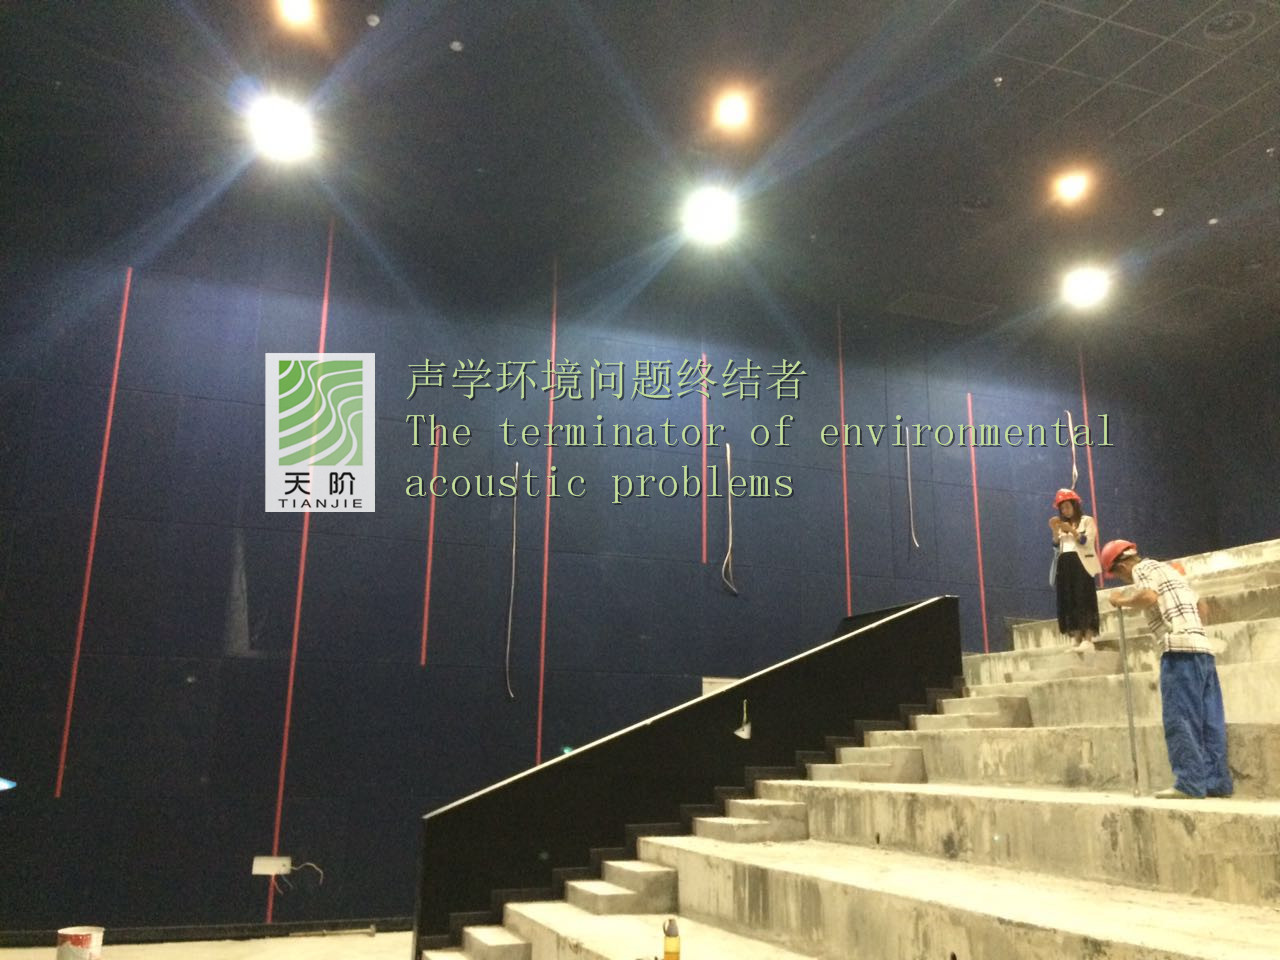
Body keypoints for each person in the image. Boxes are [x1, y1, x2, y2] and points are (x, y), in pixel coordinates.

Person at [1100, 539, 1232, 800]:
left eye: (1119, 575)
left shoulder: (1142, 570)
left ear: (1122, 565)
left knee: (1180, 718)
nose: (1123, 579)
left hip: (1178, 651)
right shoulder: (1170, 571)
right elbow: (1202, 607)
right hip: (1202, 650)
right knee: (1210, 721)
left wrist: (1121, 601)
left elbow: (1149, 596)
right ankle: (1216, 782)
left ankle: (1190, 782)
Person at [1048, 489, 1100, 651]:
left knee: (1083, 598)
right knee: (1068, 600)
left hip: (1081, 563)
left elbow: (1087, 542)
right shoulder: (1061, 526)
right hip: (1065, 563)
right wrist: (1054, 530)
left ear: (1075, 506)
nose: (1065, 511)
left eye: (1067, 507)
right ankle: (1076, 637)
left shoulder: (1087, 521)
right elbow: (1056, 546)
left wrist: (1071, 530)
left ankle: (1088, 638)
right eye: (1062, 508)